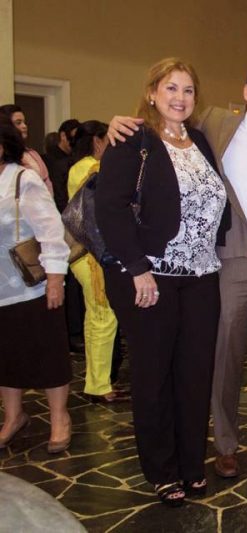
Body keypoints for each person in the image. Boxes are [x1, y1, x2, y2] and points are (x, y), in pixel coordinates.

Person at [108, 60, 247, 479]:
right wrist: (118, 123)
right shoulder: (217, 126)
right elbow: (154, 134)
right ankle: (225, 443)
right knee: (223, 359)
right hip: (230, 262)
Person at [96, 58, 228, 507]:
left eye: (188, 90)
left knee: (194, 377)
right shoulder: (132, 139)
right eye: (171, 88)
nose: (180, 98)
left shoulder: (202, 141)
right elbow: (110, 209)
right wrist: (136, 268)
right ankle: (162, 470)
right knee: (153, 379)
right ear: (152, 92)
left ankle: (192, 464)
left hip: (202, 278)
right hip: (151, 277)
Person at [0, 120, 72, 454]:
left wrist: (55, 280)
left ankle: (60, 418)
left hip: (30, 287)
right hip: (0, 292)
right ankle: (14, 416)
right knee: (6, 358)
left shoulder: (22, 179)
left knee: (47, 355)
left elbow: (51, 230)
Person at [67, 120, 125, 403]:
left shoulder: (76, 167)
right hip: (93, 256)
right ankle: (100, 385)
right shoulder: (92, 168)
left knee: (96, 318)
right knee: (103, 318)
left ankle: (95, 381)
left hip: (82, 255)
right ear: (98, 142)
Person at [0, 104, 53, 194]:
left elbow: (47, 182)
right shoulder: (4, 155)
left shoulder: (33, 154)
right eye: (18, 122)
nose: (24, 126)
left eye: (24, 122)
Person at [45, 118, 81, 212]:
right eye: (72, 138)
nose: (75, 142)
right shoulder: (50, 160)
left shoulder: (76, 157)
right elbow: (58, 195)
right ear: (63, 136)